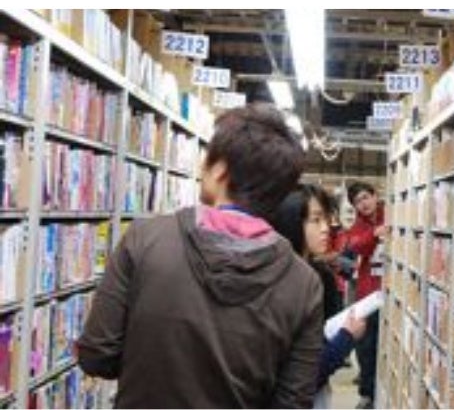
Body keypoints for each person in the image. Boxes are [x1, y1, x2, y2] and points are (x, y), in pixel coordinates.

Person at [76, 106, 325, 408]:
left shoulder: (146, 239)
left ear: (220, 169)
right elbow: (293, 402)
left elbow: (97, 356)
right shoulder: (304, 284)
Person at [273, 184, 367, 409]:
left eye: (326, 218)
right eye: (316, 220)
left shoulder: (317, 275)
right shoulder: (285, 282)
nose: (326, 228)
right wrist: (346, 337)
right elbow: (304, 374)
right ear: (292, 223)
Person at [342, 181, 386, 409]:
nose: (363, 204)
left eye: (366, 197)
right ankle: (367, 394)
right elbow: (358, 246)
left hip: (394, 289)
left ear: (375, 195)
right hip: (369, 293)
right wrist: (375, 234)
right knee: (366, 345)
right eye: (358, 202)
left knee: (386, 343)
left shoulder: (393, 213)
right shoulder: (358, 226)